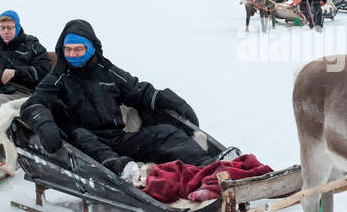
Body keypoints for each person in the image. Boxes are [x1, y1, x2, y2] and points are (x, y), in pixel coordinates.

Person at [19, 18, 225, 175]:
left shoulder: (107, 71)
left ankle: (209, 165)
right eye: (68, 50)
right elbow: (33, 104)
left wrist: (167, 98)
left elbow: (138, 91)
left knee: (165, 132)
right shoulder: (58, 77)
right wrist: (43, 124)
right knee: (83, 136)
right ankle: (125, 172)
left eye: (78, 49)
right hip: (85, 143)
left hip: (118, 137)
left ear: (90, 48)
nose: (72, 55)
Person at [0, 10, 51, 97]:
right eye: (2, 28)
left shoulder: (32, 46)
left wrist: (16, 72)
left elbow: (44, 71)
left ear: (17, 27)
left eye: (9, 28)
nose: (5, 31)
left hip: (21, 92)